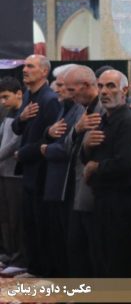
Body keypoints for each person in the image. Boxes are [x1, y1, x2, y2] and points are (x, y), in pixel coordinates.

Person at [82, 70, 131, 276]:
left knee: (120, 264)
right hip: (102, 200)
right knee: (103, 260)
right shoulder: (102, 120)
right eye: (100, 86)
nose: (103, 92)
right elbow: (88, 157)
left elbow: (127, 164)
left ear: (124, 90)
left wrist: (96, 167)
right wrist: (86, 146)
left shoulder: (129, 122)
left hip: (122, 204)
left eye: (110, 86)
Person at [12, 55, 61, 276]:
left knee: (42, 224)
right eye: (24, 66)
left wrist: (24, 153)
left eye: (30, 66)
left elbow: (51, 137)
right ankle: (34, 268)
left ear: (44, 71)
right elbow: (17, 128)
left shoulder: (49, 99)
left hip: (42, 171)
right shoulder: (28, 96)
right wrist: (21, 118)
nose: (25, 69)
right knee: (30, 222)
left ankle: (45, 271)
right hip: (29, 170)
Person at [40, 64, 84, 276]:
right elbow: (53, 134)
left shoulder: (79, 110)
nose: (56, 89)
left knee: (70, 240)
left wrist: (47, 148)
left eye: (61, 85)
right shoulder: (63, 107)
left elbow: (71, 146)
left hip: (68, 183)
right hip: (55, 180)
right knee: (57, 236)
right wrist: (48, 134)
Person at [62, 65, 103, 277]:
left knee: (93, 252)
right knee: (76, 248)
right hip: (77, 191)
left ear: (86, 85)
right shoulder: (83, 110)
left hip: (93, 193)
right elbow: (67, 146)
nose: (69, 95)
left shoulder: (103, 110)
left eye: (72, 90)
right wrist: (77, 129)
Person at [0, 77, 25, 275]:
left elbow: (14, 143)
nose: (3, 101)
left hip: (15, 173)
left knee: (17, 218)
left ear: (18, 94)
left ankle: (19, 257)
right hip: (3, 171)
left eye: (6, 97)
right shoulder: (8, 113)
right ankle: (8, 254)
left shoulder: (23, 114)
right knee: (5, 217)